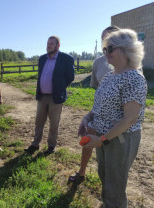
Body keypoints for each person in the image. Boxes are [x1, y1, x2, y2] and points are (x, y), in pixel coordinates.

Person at [78, 28, 147, 207]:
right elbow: (99, 104)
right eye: (104, 49)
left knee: (115, 184)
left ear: (126, 50)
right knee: (105, 175)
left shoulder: (134, 78)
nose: (105, 53)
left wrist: (101, 139)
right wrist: (87, 118)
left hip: (120, 138)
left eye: (110, 49)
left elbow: (129, 119)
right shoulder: (109, 75)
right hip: (103, 136)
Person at [69, 25, 120, 183]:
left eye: (110, 37)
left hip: (118, 116)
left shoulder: (127, 61)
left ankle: (113, 185)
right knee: (88, 140)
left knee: (113, 150)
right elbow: (97, 90)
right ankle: (82, 173)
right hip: (98, 111)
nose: (106, 41)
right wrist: (91, 114)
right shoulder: (98, 62)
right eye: (103, 38)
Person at [25, 36, 75, 155]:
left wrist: (60, 87)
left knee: (54, 123)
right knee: (39, 122)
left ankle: (51, 146)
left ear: (58, 46)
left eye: (52, 44)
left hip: (55, 97)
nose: (49, 46)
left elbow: (71, 77)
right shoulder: (42, 58)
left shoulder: (66, 59)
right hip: (42, 96)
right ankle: (35, 144)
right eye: (48, 43)